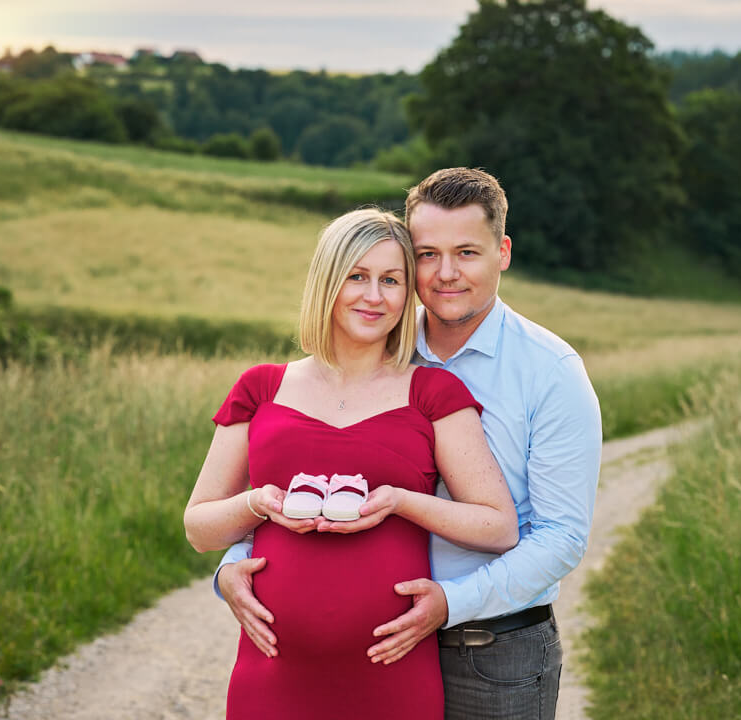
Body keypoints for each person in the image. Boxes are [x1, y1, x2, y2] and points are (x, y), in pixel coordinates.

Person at [216, 169, 602, 719]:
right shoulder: (376, 338)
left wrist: (450, 604)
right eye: (427, 254)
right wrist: (234, 563)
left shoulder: (551, 371)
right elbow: (295, 471)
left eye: (467, 252)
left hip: (490, 650)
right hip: (369, 657)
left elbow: (562, 537)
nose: (446, 274)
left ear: (504, 253)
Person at [184, 208, 518, 720]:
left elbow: (498, 527)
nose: (374, 296)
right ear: (326, 283)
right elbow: (199, 528)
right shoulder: (261, 389)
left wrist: (401, 502)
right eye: (357, 277)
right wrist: (260, 503)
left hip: (392, 673)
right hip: (273, 673)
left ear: (408, 294)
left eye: (391, 280)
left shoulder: (433, 392)